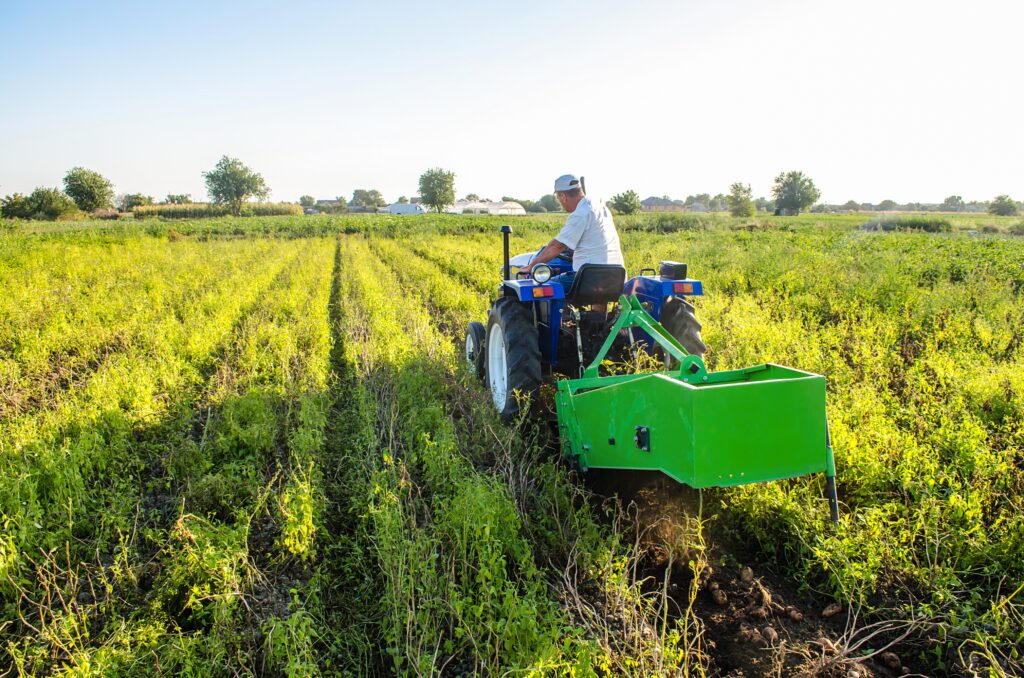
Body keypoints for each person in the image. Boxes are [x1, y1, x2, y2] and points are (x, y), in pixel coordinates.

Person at [521, 174, 624, 294]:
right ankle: (597, 314)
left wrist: (530, 266)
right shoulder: (601, 208)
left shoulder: (580, 214)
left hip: (588, 278)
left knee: (544, 288)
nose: (561, 203)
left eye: (559, 199)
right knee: (599, 295)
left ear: (562, 196)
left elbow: (557, 246)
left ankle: (560, 312)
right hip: (616, 275)